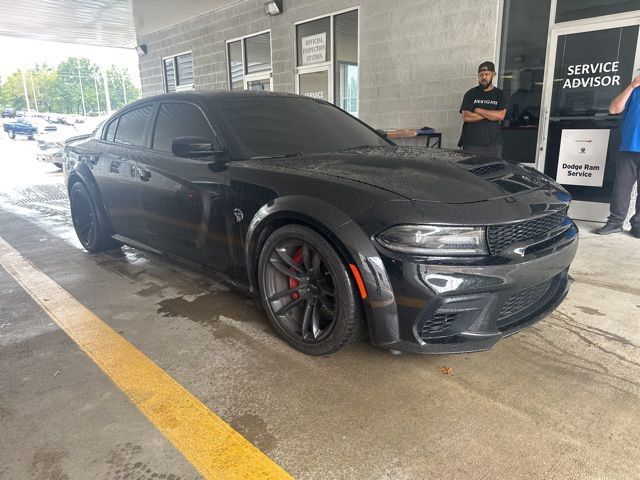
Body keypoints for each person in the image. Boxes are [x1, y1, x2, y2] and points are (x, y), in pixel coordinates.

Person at [596, 74, 640, 237]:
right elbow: (614, 109)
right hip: (629, 147)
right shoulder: (634, 90)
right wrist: (632, 86)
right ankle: (615, 222)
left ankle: (638, 225)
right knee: (621, 188)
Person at [459, 61, 507, 158]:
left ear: (493, 74)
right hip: (471, 143)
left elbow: (500, 115)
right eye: (481, 75)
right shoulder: (470, 94)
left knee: (494, 171)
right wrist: (491, 114)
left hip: (493, 144)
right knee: (471, 171)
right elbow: (466, 117)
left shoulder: (500, 94)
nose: (483, 77)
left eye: (487, 74)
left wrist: (478, 110)